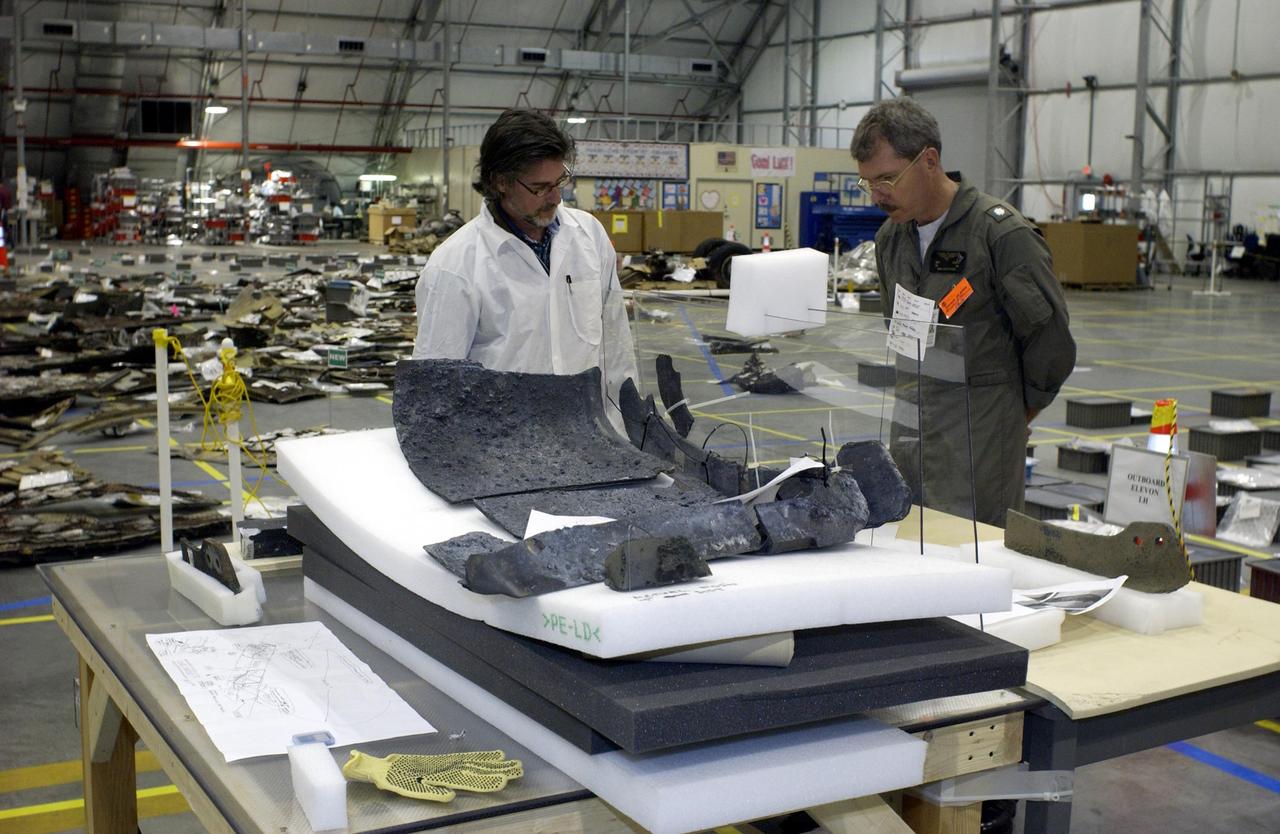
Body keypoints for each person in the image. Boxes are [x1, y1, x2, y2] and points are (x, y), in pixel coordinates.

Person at [851, 99, 1075, 527]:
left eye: (886, 178)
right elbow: (896, 328)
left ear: (929, 160)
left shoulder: (1000, 236)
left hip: (980, 441)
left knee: (977, 558)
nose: (877, 195)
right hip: (909, 434)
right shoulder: (890, 240)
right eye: (868, 183)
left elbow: (1051, 343)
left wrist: (1014, 416)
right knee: (911, 549)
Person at [412, 109, 637, 434]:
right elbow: (435, 386)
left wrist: (626, 433)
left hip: (590, 441)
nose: (556, 197)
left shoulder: (589, 236)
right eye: (539, 187)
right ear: (500, 182)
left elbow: (616, 345)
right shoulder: (455, 265)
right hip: (504, 451)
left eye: (560, 181)